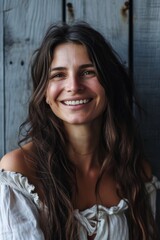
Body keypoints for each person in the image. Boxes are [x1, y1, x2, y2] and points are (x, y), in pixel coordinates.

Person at [0, 22, 159, 240]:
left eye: (87, 72)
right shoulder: (19, 171)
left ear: (108, 84)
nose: (74, 86)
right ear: (45, 93)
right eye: (58, 75)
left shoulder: (136, 172)